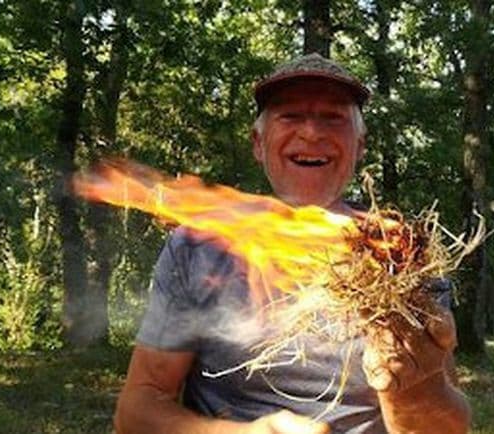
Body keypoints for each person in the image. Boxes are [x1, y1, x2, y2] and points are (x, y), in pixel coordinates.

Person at [114, 53, 471, 434]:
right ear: (258, 143)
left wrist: (413, 386)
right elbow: (136, 411)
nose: (312, 133)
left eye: (333, 117)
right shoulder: (197, 247)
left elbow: (444, 428)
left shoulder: (399, 251)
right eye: (290, 116)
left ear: (360, 146)